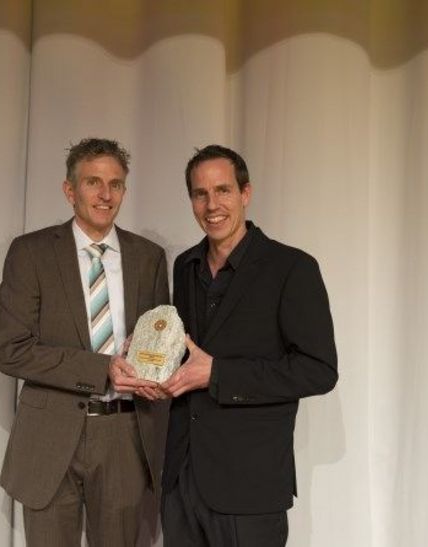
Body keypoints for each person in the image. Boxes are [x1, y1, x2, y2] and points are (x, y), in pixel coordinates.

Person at [158, 145, 338, 546]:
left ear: (245, 193)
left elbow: (319, 370)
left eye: (222, 190)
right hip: (182, 481)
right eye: (200, 194)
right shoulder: (185, 265)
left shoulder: (292, 268)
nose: (212, 205)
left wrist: (218, 374)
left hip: (250, 486)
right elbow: (186, 355)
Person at [0, 138, 170, 546]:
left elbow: (157, 346)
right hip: (49, 435)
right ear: (69, 190)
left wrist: (159, 370)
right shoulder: (31, 253)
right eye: (93, 182)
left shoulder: (149, 258)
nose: (106, 195)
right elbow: (11, 350)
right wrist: (101, 370)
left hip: (124, 435)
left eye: (115, 184)